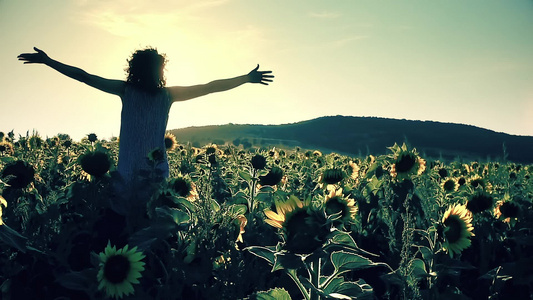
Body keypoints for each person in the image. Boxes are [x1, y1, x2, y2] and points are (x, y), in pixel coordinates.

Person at [18, 47, 274, 183]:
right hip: (140, 172)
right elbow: (209, 87)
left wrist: (49, 61)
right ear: (159, 71)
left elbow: (85, 77)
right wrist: (246, 79)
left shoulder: (134, 90)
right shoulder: (153, 93)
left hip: (144, 172)